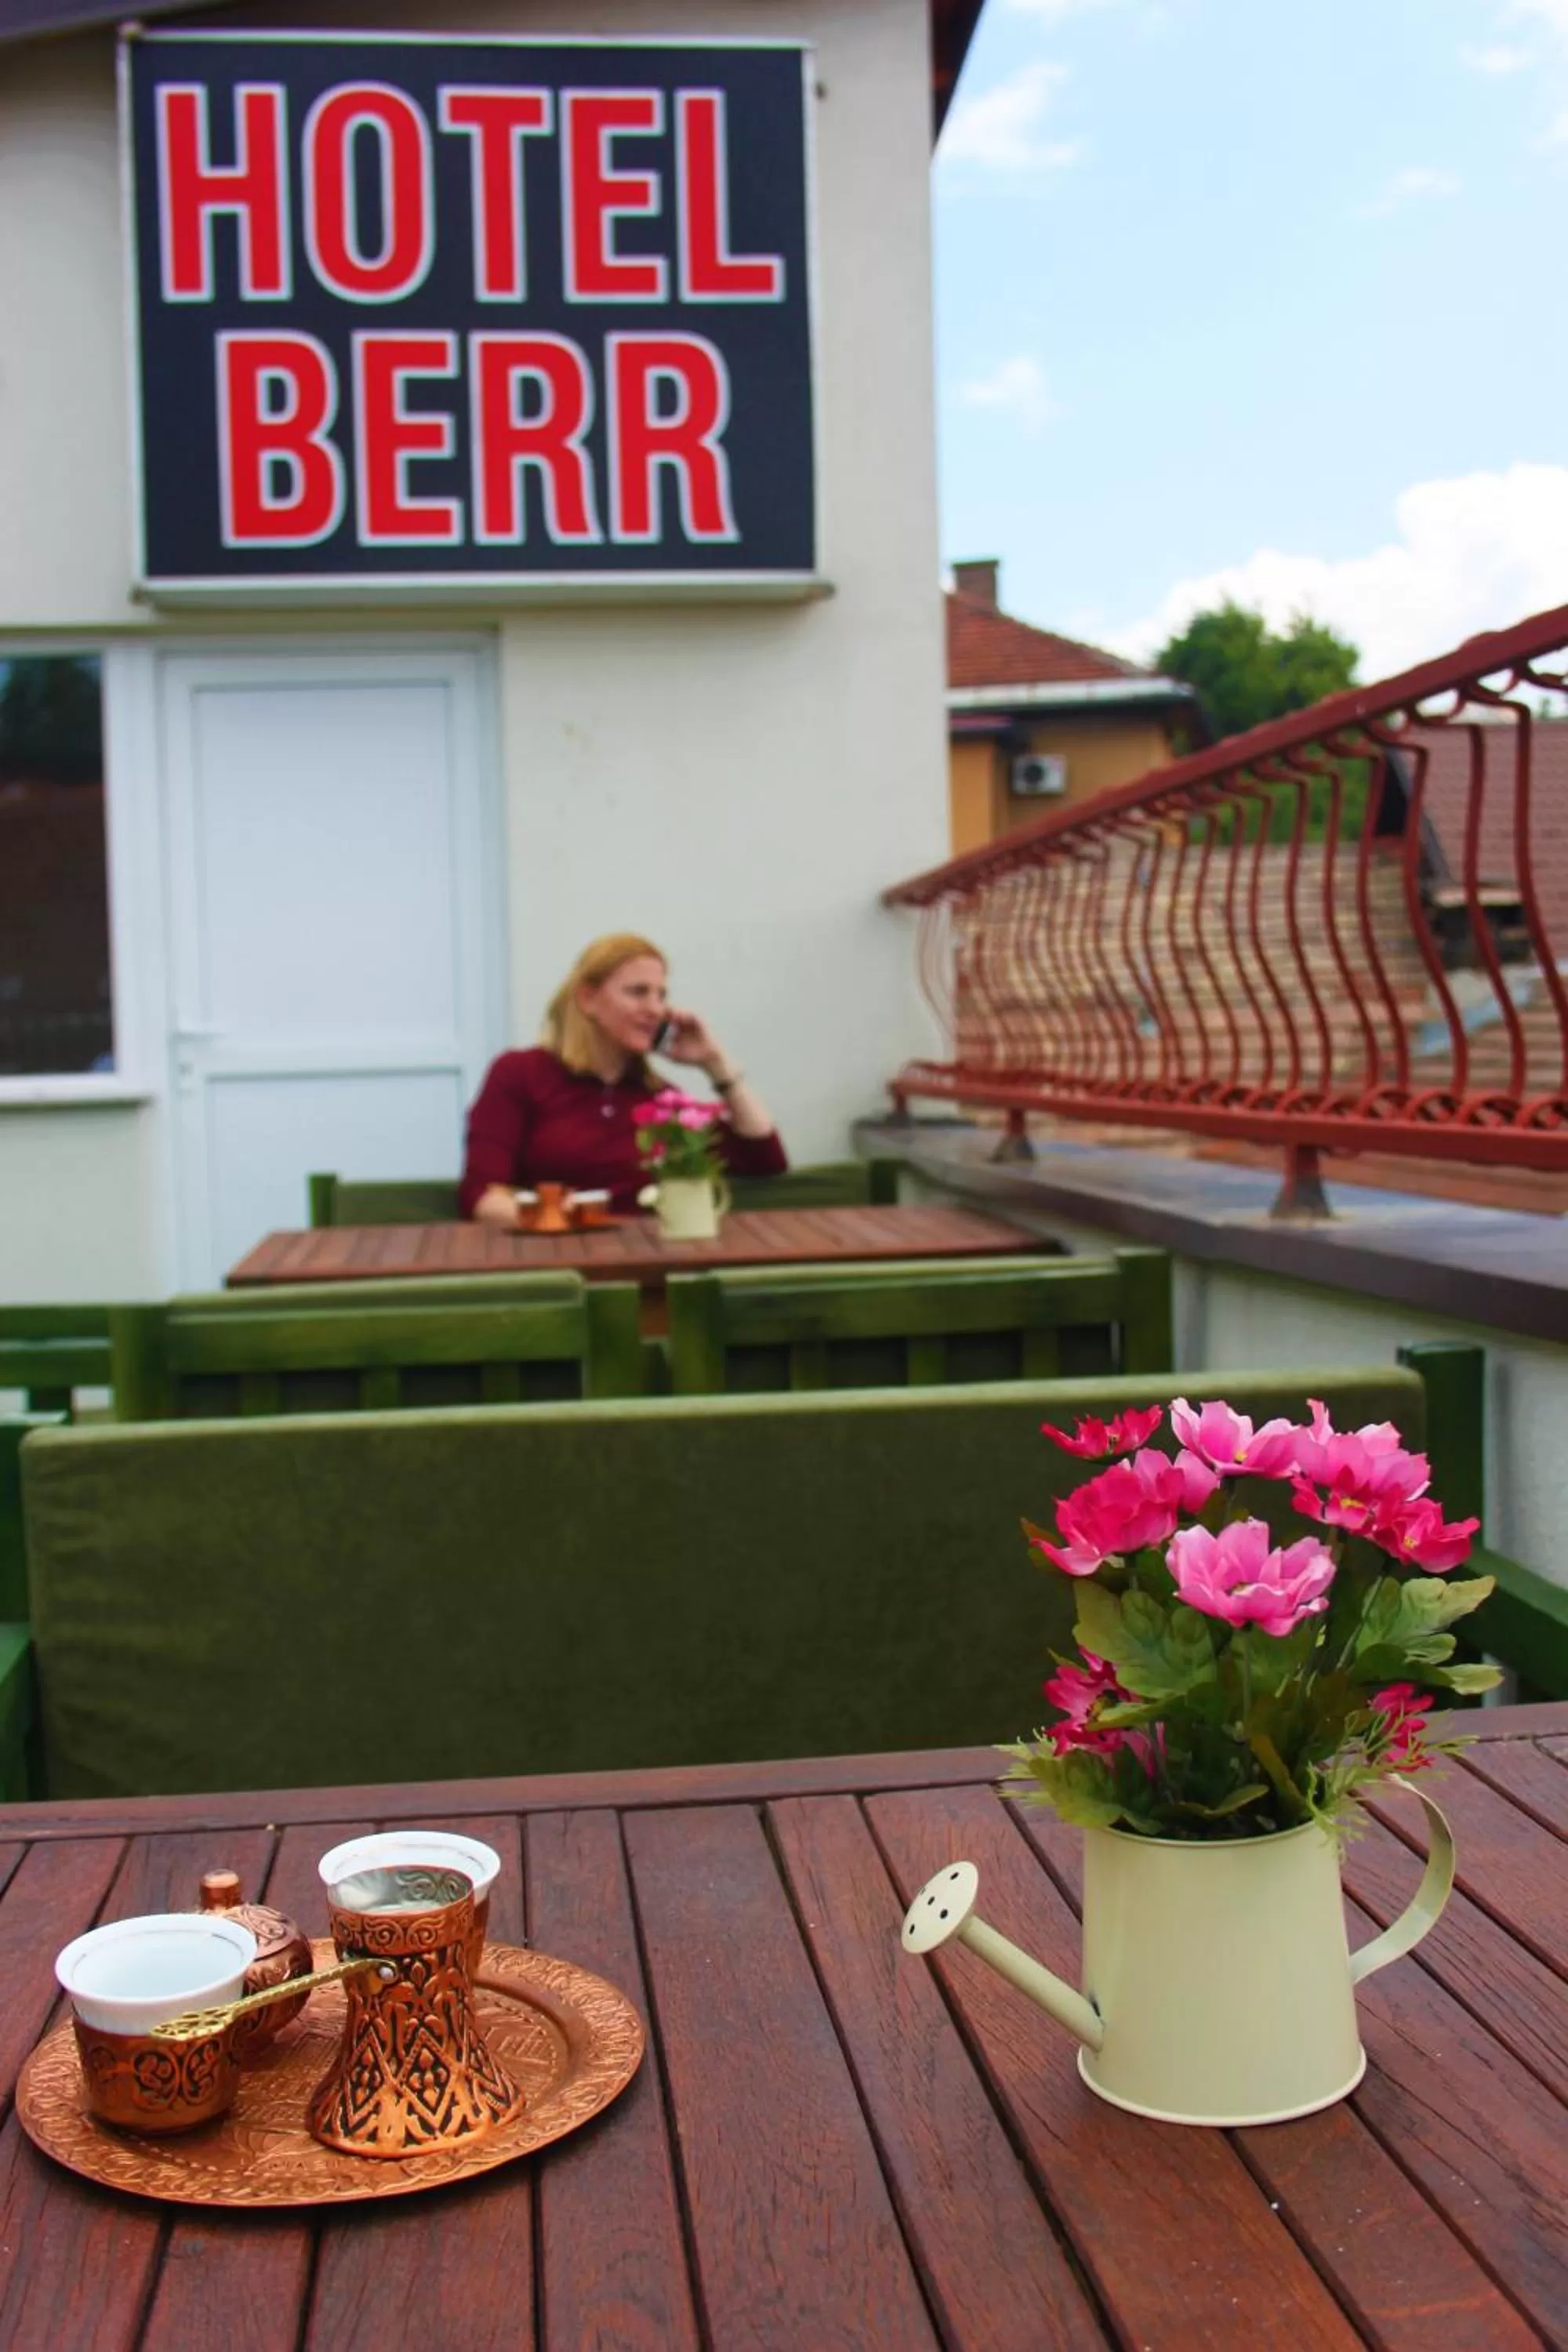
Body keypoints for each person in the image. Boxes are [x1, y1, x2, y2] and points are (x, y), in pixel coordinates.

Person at [459, 933, 789, 1223]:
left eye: (661, 995)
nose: (656, 1009)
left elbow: (765, 1158)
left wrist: (716, 1064)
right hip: (557, 1265)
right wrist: (565, 1219)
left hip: (650, 1269)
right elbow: (483, 1197)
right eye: (638, 992)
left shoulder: (659, 1098)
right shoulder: (520, 1074)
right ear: (588, 999)